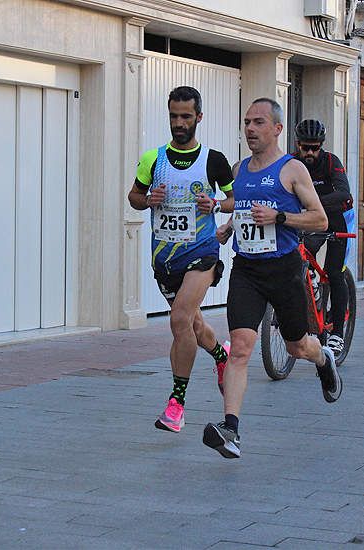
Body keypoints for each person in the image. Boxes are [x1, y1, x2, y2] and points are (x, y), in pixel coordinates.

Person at [205, 98, 341, 459]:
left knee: (298, 346)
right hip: (247, 269)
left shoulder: (292, 169)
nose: (249, 128)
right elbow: (247, 208)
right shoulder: (239, 169)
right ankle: (230, 429)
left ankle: (324, 359)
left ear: (277, 129)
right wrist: (228, 225)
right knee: (240, 348)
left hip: (283, 270)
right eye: (247, 122)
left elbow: (320, 220)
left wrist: (280, 217)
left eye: (258, 122)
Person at [127, 86, 235, 433]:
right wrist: (148, 200)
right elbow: (134, 196)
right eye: (174, 116)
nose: (179, 123)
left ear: (198, 118)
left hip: (202, 252)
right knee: (193, 326)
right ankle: (222, 357)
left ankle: (177, 404)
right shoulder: (153, 159)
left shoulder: (214, 160)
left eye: (186, 117)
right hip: (165, 259)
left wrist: (216, 205)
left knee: (178, 319)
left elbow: (237, 200)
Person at [292, 119, 354, 354]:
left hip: (335, 219)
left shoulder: (330, 162)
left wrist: (313, 203)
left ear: (321, 146)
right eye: (305, 147)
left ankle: (337, 332)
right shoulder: (291, 162)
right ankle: (310, 291)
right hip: (307, 220)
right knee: (298, 258)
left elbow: (343, 193)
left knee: (335, 273)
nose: (309, 152)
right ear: (298, 144)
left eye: (315, 148)